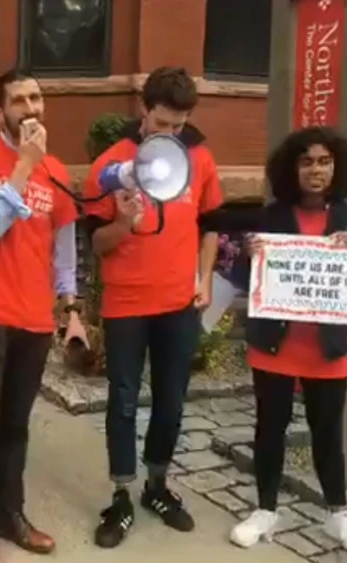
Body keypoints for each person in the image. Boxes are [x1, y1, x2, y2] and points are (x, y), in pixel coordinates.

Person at [82, 66, 223, 548]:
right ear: (144, 110)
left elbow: (210, 225)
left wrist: (203, 279)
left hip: (178, 303)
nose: (170, 135)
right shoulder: (113, 162)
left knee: (171, 399)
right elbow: (97, 244)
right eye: (161, 125)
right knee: (123, 400)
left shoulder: (199, 158)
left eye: (178, 127)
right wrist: (122, 223)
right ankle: (121, 494)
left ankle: (157, 485)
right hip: (126, 303)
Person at [0, 68, 87, 563]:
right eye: (19, 100)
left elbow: (65, 253)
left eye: (36, 98)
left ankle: (12, 514)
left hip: (34, 320)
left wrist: (71, 310)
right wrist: (24, 166)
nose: (30, 108)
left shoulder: (57, 171)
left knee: (16, 426)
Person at [226, 126, 347, 556]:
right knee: (269, 429)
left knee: (327, 432)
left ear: (337, 167)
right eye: (306, 161)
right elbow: (243, 281)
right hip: (274, 345)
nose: (316, 170)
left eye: (324, 161)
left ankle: (338, 513)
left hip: (326, 349)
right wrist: (250, 256)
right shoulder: (269, 220)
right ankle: (266, 510)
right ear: (292, 168)